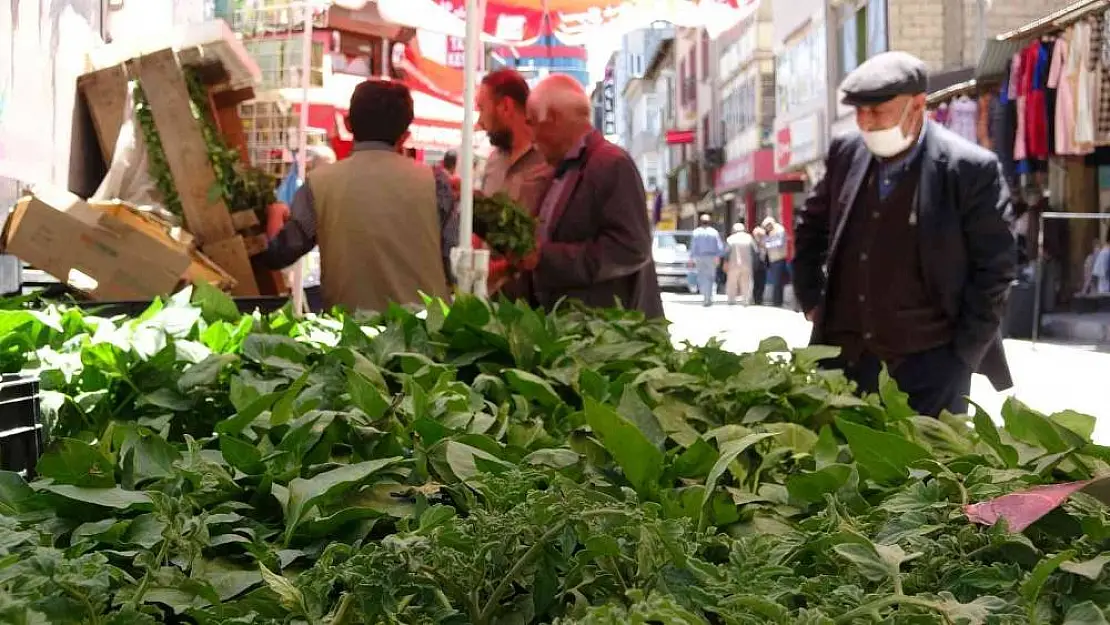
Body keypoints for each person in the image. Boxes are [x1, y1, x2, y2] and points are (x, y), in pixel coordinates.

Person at [793, 51, 1015, 417]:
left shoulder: (969, 169)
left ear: (916, 106)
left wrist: (962, 355)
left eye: (878, 112)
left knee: (925, 469)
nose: (867, 123)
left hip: (930, 367)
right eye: (860, 113)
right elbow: (811, 226)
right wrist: (811, 298)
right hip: (844, 361)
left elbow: (996, 268)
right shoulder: (846, 153)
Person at [261, 79, 451, 312]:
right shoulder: (435, 183)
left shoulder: (319, 185)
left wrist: (275, 213)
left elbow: (280, 254)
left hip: (352, 337)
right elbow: (453, 260)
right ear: (405, 135)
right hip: (426, 334)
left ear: (348, 125)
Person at [505, 73, 663, 318]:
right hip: (569, 329)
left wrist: (544, 257)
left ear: (553, 119)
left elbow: (631, 249)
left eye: (532, 122)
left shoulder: (611, 164)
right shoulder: (561, 170)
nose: (532, 137)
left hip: (606, 335)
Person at [475, 69, 553, 294]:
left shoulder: (548, 160)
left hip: (535, 299)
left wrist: (504, 268)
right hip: (490, 296)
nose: (480, 122)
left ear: (506, 107)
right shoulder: (492, 161)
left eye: (482, 108)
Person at [691, 214, 725, 307]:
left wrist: (691, 258)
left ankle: (706, 297)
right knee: (711, 277)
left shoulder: (696, 232)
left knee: (702, 277)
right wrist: (718, 257)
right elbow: (720, 247)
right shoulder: (714, 232)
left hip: (700, 257)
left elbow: (693, 247)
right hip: (712, 257)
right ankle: (709, 297)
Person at [762, 217, 789, 307]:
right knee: (776, 281)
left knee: (778, 282)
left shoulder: (780, 230)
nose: (766, 230)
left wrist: (767, 245)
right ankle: (777, 301)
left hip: (779, 259)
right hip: (773, 260)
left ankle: (777, 302)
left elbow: (779, 243)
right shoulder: (771, 232)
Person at [725, 222, 754, 305]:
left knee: (732, 283)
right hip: (747, 264)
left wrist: (725, 264)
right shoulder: (749, 238)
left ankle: (731, 299)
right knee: (746, 283)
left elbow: (727, 253)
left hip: (733, 264)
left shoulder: (730, 239)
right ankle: (745, 300)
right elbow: (755, 251)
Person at [751, 226, 769, 305]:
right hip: (754, 266)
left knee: (762, 283)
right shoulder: (752, 243)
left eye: (762, 236)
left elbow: (767, 255)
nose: (761, 237)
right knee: (755, 283)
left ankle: (759, 299)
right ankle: (755, 299)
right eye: (759, 235)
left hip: (763, 265)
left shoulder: (765, 243)